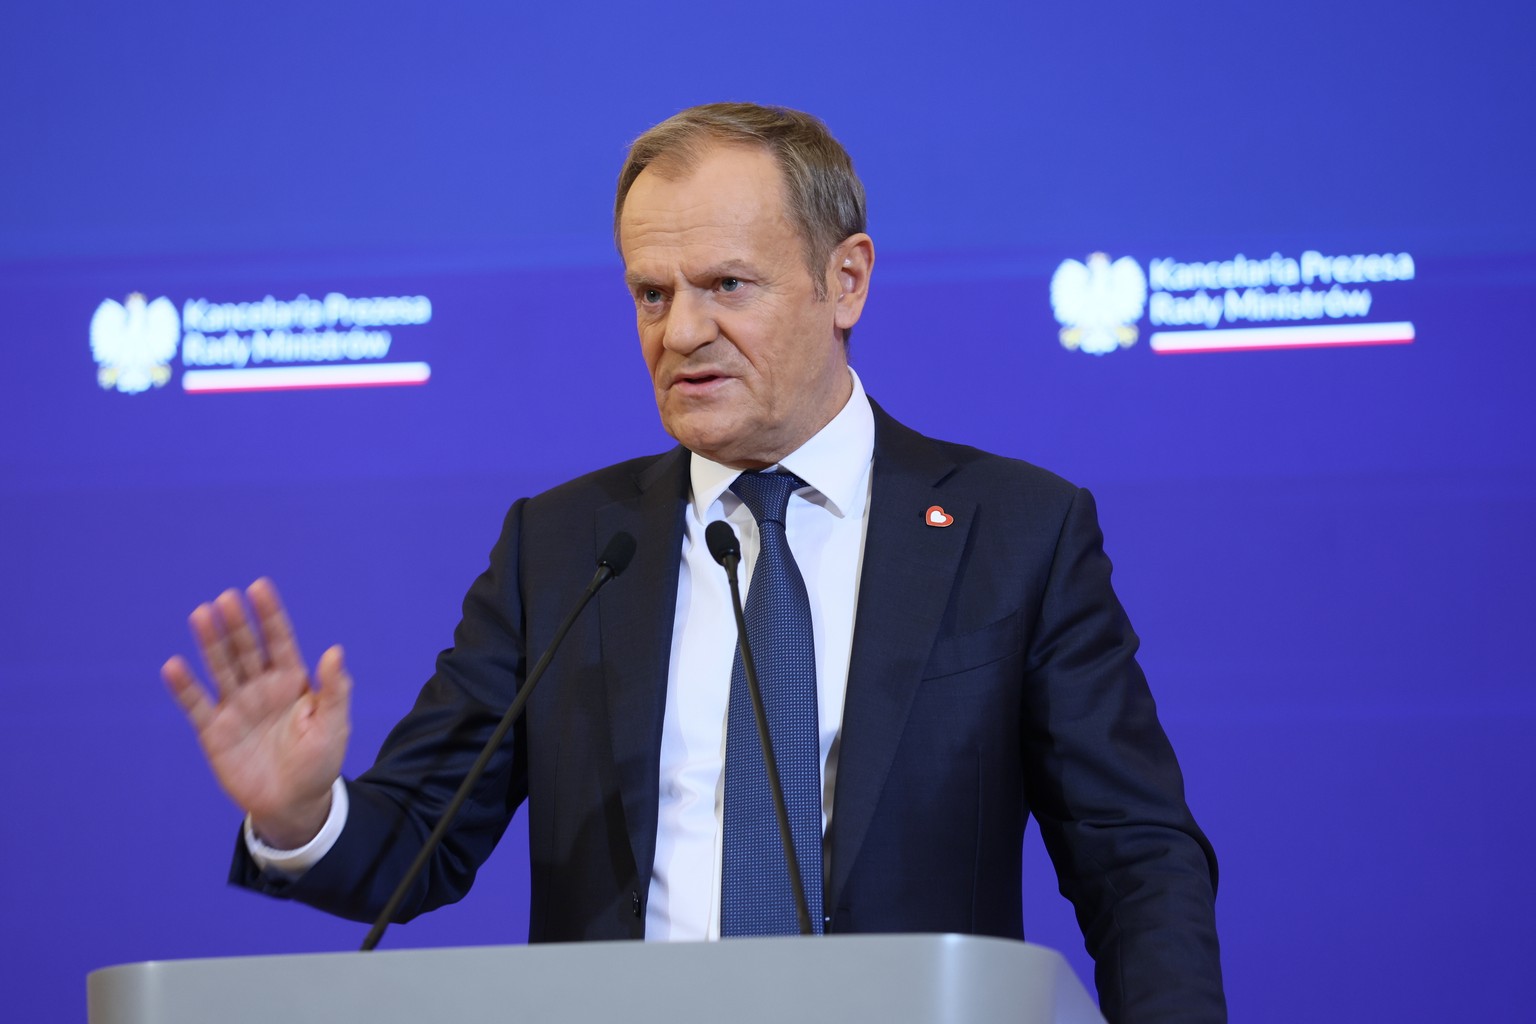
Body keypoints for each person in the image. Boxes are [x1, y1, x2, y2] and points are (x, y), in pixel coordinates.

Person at [163, 103, 1224, 1023]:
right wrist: (300, 814)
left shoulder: (1016, 529)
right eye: (651, 293)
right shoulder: (566, 546)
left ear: (844, 281)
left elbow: (1137, 860)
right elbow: (417, 847)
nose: (683, 332)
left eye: (727, 283)